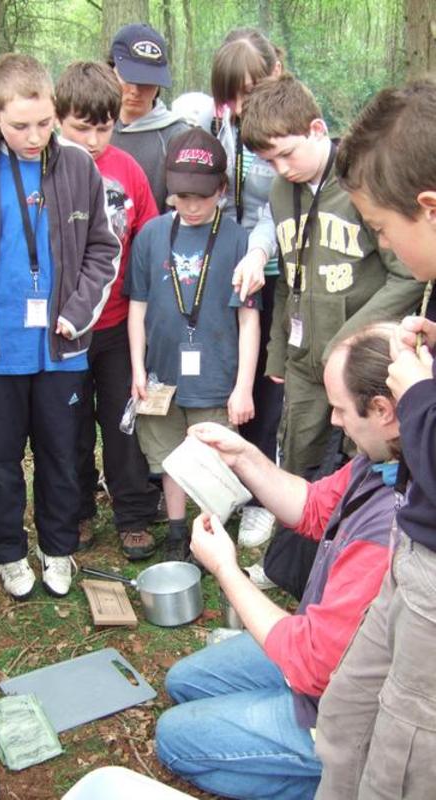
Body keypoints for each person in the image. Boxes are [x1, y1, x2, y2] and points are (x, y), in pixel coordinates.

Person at [155, 322, 402, 800]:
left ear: (382, 410)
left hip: (346, 709)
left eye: (340, 408)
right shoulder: (384, 457)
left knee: (175, 739)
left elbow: (311, 665)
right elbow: (314, 507)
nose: (334, 421)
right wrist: (244, 457)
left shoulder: (389, 532)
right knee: (185, 682)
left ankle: (344, 777)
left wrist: (226, 570)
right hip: (323, 658)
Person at [0, 54, 120, 600]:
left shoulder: (80, 167)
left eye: (44, 122)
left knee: (62, 454)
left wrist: (78, 312)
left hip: (61, 347)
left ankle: (58, 548)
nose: (35, 136)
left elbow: (103, 250)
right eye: (20, 126)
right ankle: (8, 553)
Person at [239, 73, 423, 587]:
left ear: (317, 129)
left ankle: (357, 569)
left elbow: (405, 278)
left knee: (361, 467)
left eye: (286, 153)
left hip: (358, 366)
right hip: (303, 361)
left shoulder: (362, 187)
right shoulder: (282, 192)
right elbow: (288, 281)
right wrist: (278, 353)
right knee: (297, 457)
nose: (281, 168)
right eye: (269, 161)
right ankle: (289, 566)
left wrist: (349, 342)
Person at [314, 79, 436, 800]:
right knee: (348, 715)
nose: (382, 244)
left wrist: (418, 395)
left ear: (430, 207)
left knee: (402, 759)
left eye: (383, 229)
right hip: (411, 554)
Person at [128, 127, 260, 560]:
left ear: (222, 190)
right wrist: (137, 369)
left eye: (203, 196)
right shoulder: (151, 235)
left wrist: (243, 386)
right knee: (170, 457)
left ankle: (208, 536)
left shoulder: (238, 239)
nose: (192, 206)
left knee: (211, 460)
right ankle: (175, 532)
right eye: (183, 196)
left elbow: (248, 318)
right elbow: (137, 307)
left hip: (217, 375)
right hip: (162, 376)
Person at [55, 61, 161, 560]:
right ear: (58, 119)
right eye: (82, 128)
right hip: (65, 331)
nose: (94, 140)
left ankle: (133, 514)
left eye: (105, 128)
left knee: (123, 423)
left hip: (119, 325)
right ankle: (77, 510)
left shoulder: (128, 170)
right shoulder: (47, 171)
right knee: (70, 427)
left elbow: (149, 239)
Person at [199, 28, 284, 551]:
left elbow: (276, 208)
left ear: (276, 73)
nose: (242, 105)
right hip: (221, 266)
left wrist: (256, 253)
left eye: (250, 92)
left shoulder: (286, 128)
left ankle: (262, 497)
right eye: (232, 96)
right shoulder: (219, 124)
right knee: (226, 377)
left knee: (264, 388)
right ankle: (222, 485)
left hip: (269, 268)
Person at [108, 22, 190, 212]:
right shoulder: (92, 130)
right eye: (128, 78)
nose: (136, 90)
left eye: (146, 81)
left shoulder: (176, 137)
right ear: (111, 71)